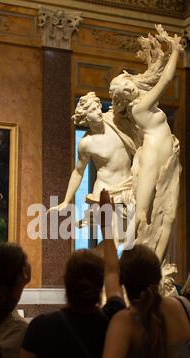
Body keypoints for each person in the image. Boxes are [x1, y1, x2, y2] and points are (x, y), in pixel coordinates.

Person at [15, 190, 147, 358]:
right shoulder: (113, 319)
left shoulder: (42, 327)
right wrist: (106, 220)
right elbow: (112, 270)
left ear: (65, 283)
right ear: (98, 285)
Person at [109, 25, 182, 262]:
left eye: (127, 81)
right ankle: (124, 261)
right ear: (124, 96)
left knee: (169, 215)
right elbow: (166, 78)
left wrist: (161, 55)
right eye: (124, 89)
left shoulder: (142, 102)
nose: (129, 87)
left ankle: (157, 266)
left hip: (168, 155)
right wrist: (175, 50)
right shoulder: (139, 107)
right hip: (152, 156)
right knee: (140, 213)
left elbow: (154, 77)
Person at [49, 92, 142, 249]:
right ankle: (113, 271)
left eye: (98, 107)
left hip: (129, 187)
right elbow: (78, 171)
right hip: (106, 193)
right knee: (115, 240)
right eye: (92, 110)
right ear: (85, 117)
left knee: (134, 239)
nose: (98, 111)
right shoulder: (87, 143)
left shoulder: (115, 120)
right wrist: (66, 200)